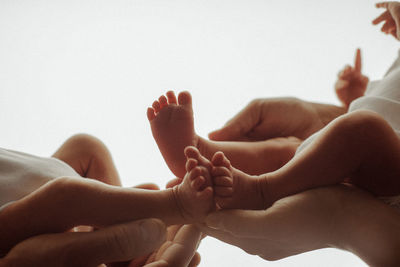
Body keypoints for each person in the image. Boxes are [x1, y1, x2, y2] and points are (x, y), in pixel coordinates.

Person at [0, 134, 202, 266]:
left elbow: (85, 149)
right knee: (67, 196)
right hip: (14, 228)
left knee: (87, 146)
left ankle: (118, 245)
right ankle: (176, 203)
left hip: (48, 191)